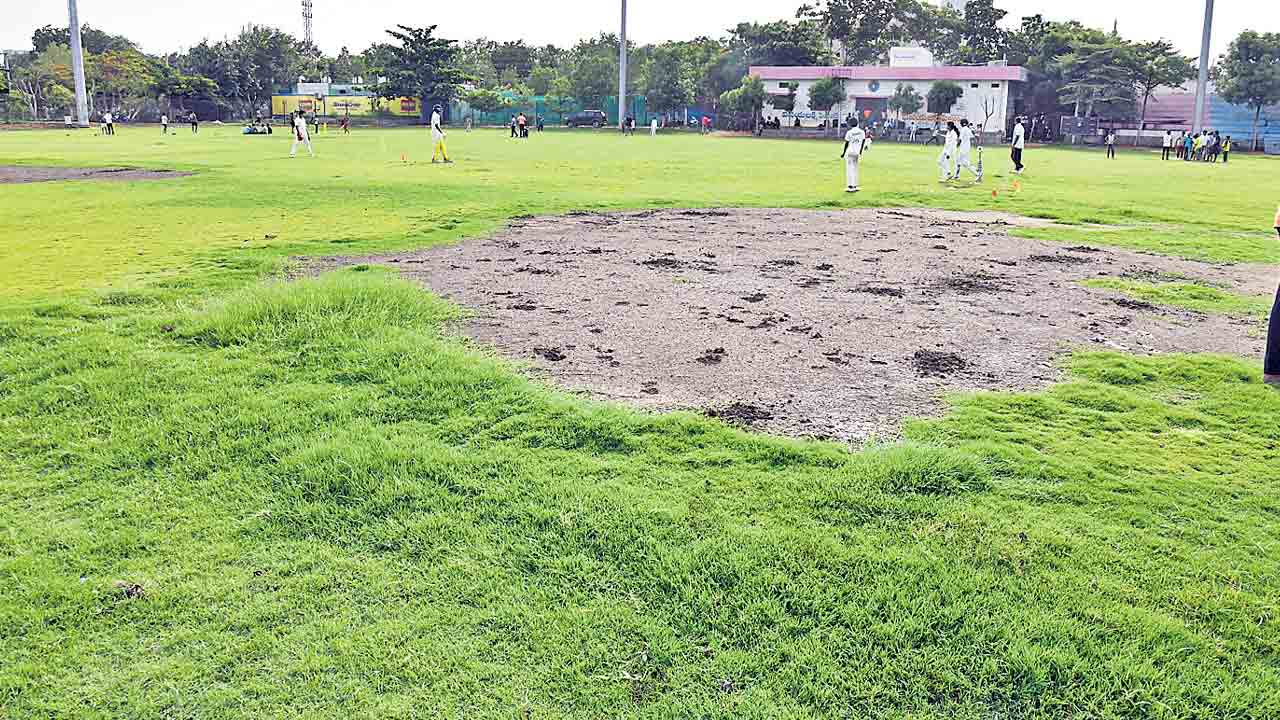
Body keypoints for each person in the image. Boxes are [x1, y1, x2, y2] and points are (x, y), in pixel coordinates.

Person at [841, 117, 867, 193]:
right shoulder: (862, 132)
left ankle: (850, 186)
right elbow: (863, 141)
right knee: (855, 169)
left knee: (849, 169)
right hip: (857, 152)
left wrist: (843, 153)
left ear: (850, 124)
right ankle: (855, 185)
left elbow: (846, 143)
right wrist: (860, 151)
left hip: (850, 152)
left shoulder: (849, 132)